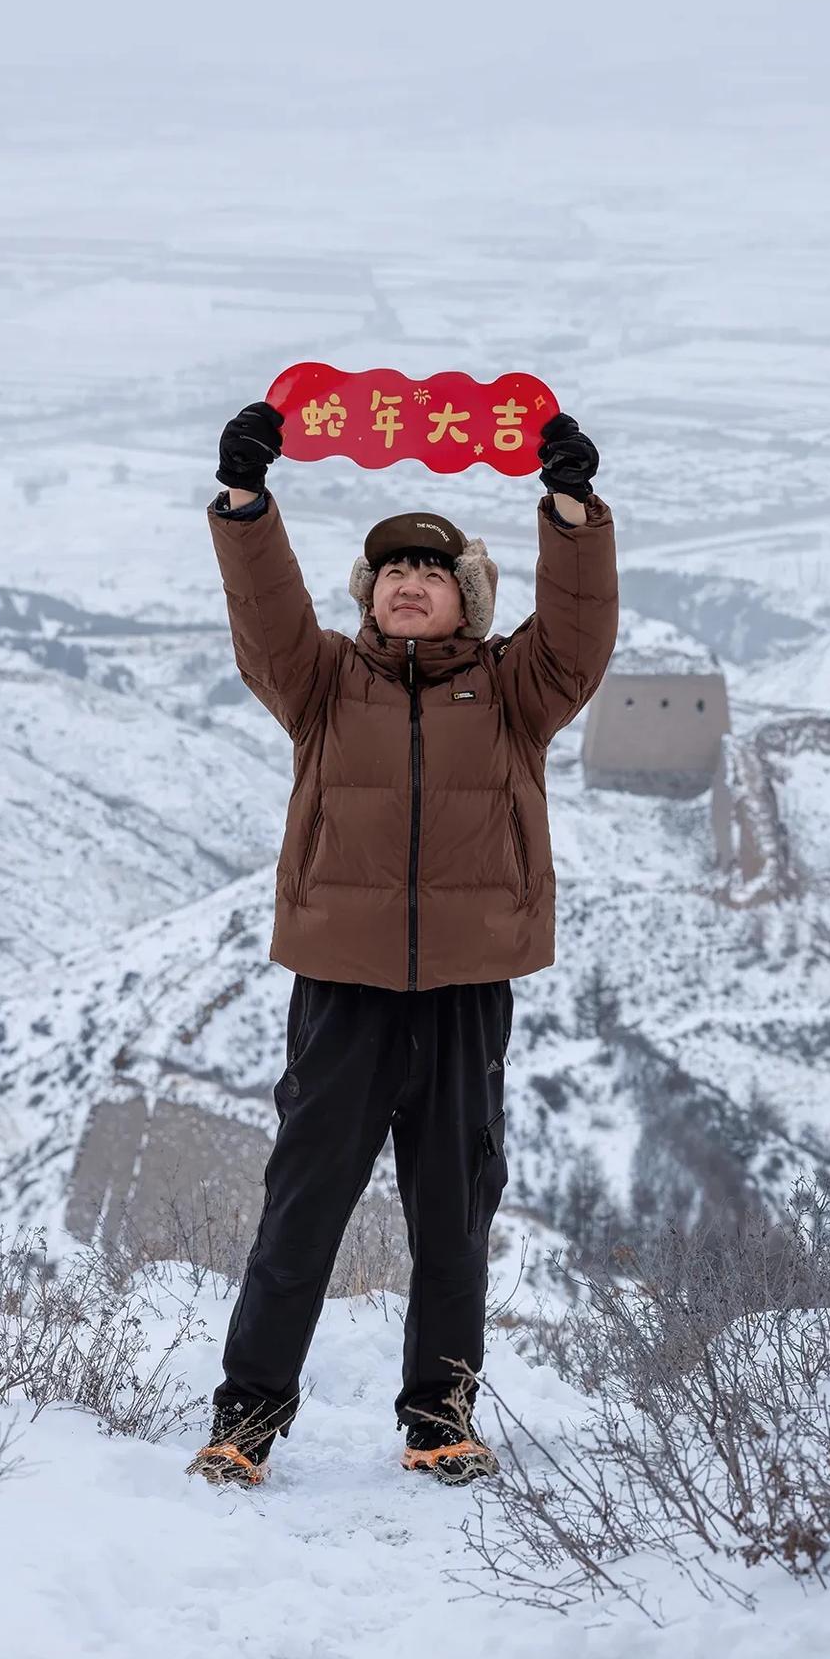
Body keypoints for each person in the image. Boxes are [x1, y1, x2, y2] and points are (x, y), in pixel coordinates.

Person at [188, 398, 618, 1487]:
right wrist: (245, 501)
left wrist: (568, 510)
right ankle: (247, 1416)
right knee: (304, 1201)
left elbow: (579, 635)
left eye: (429, 570)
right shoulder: (323, 683)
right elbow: (266, 612)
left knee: (452, 1209)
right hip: (343, 986)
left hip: (467, 986)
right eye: (389, 571)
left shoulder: (515, 689)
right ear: (368, 595)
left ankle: (440, 1416)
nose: (406, 581)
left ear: (464, 596)